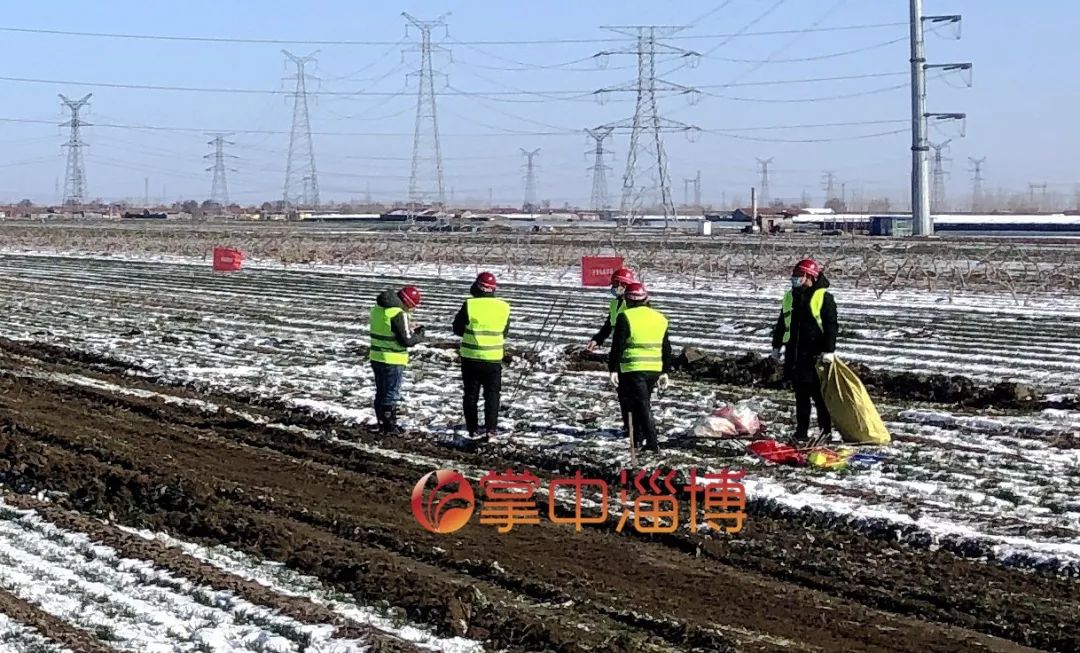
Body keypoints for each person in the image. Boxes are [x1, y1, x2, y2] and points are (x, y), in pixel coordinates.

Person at [770, 258, 838, 445]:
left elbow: (831, 326)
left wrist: (829, 351)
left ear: (809, 276)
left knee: (819, 397)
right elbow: (782, 323)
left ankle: (826, 433)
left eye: (798, 275)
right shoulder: (790, 297)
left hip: (815, 356)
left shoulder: (824, 297)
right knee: (801, 398)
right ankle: (801, 433)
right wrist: (777, 346)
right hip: (795, 355)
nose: (794, 278)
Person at [608, 282, 672, 453]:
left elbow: (618, 346)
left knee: (641, 405)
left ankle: (651, 443)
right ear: (646, 299)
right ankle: (636, 439)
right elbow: (666, 347)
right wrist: (665, 371)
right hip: (654, 369)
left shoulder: (626, 317)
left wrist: (612, 369)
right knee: (640, 404)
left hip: (632, 368)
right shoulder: (660, 318)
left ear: (628, 300)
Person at [452, 271, 511, 443]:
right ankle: (491, 429)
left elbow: (456, 328)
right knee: (492, 395)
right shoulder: (504, 307)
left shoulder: (470, 305)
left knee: (471, 394)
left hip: (470, 357)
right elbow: (505, 332)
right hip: (493, 358)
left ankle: (472, 428)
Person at [369, 285, 425, 434]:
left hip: (376, 356)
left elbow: (388, 330)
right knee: (391, 393)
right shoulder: (398, 313)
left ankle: (382, 423)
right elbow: (406, 340)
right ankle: (389, 426)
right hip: (393, 359)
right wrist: (420, 335)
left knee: (381, 392)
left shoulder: (378, 309)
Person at [586, 266, 636, 351]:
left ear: (623, 284)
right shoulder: (615, 303)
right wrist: (597, 340)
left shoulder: (634, 304)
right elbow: (608, 326)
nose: (613, 287)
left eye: (615, 285)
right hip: (619, 346)